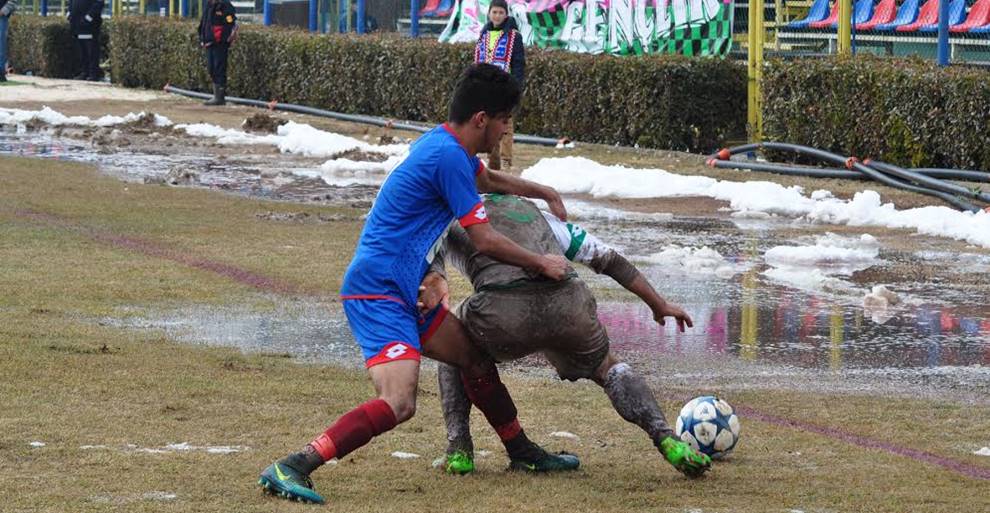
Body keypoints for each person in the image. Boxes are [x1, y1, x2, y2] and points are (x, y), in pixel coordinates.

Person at [258, 64, 578, 505]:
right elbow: (483, 239)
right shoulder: (447, 156)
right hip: (378, 292)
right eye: (505, 121)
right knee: (399, 403)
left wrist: (544, 191)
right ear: (482, 120)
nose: (507, 131)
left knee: (474, 358)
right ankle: (294, 464)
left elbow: (483, 180)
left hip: (404, 288)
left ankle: (522, 452)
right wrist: (541, 263)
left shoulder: (448, 145)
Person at [420, 193, 713, 479]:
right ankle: (666, 438)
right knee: (609, 367)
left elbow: (426, 267)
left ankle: (459, 450)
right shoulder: (533, 211)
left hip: (503, 311)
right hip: (569, 305)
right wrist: (657, 304)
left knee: (453, 343)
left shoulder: (448, 215)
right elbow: (609, 259)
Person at [473, 0, 524, 171]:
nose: (497, 16)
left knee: (506, 126)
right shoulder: (484, 35)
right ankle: (493, 165)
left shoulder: (514, 36)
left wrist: (516, 88)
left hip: (505, 89)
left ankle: (506, 162)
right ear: (489, 14)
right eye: (494, 12)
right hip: (486, 89)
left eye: (501, 13)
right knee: (489, 125)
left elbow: (518, 64)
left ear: (506, 15)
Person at [197, 0, 238, 106]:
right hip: (209, 43)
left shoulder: (225, 6)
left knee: (219, 68)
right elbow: (203, 23)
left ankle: (219, 97)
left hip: (220, 44)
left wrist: (223, 38)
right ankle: (217, 95)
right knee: (211, 68)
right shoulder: (208, 5)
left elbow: (230, 23)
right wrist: (202, 38)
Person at [67, 0, 103, 81]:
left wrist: (89, 17)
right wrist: (69, 13)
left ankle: (93, 74)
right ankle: (84, 72)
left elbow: (99, 3)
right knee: (82, 51)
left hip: (90, 25)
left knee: (91, 51)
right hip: (77, 24)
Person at [0, 0, 16, 82]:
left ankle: (1, 72)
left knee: (1, 45)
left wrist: (3, 11)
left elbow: (13, 1)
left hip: (2, 16)